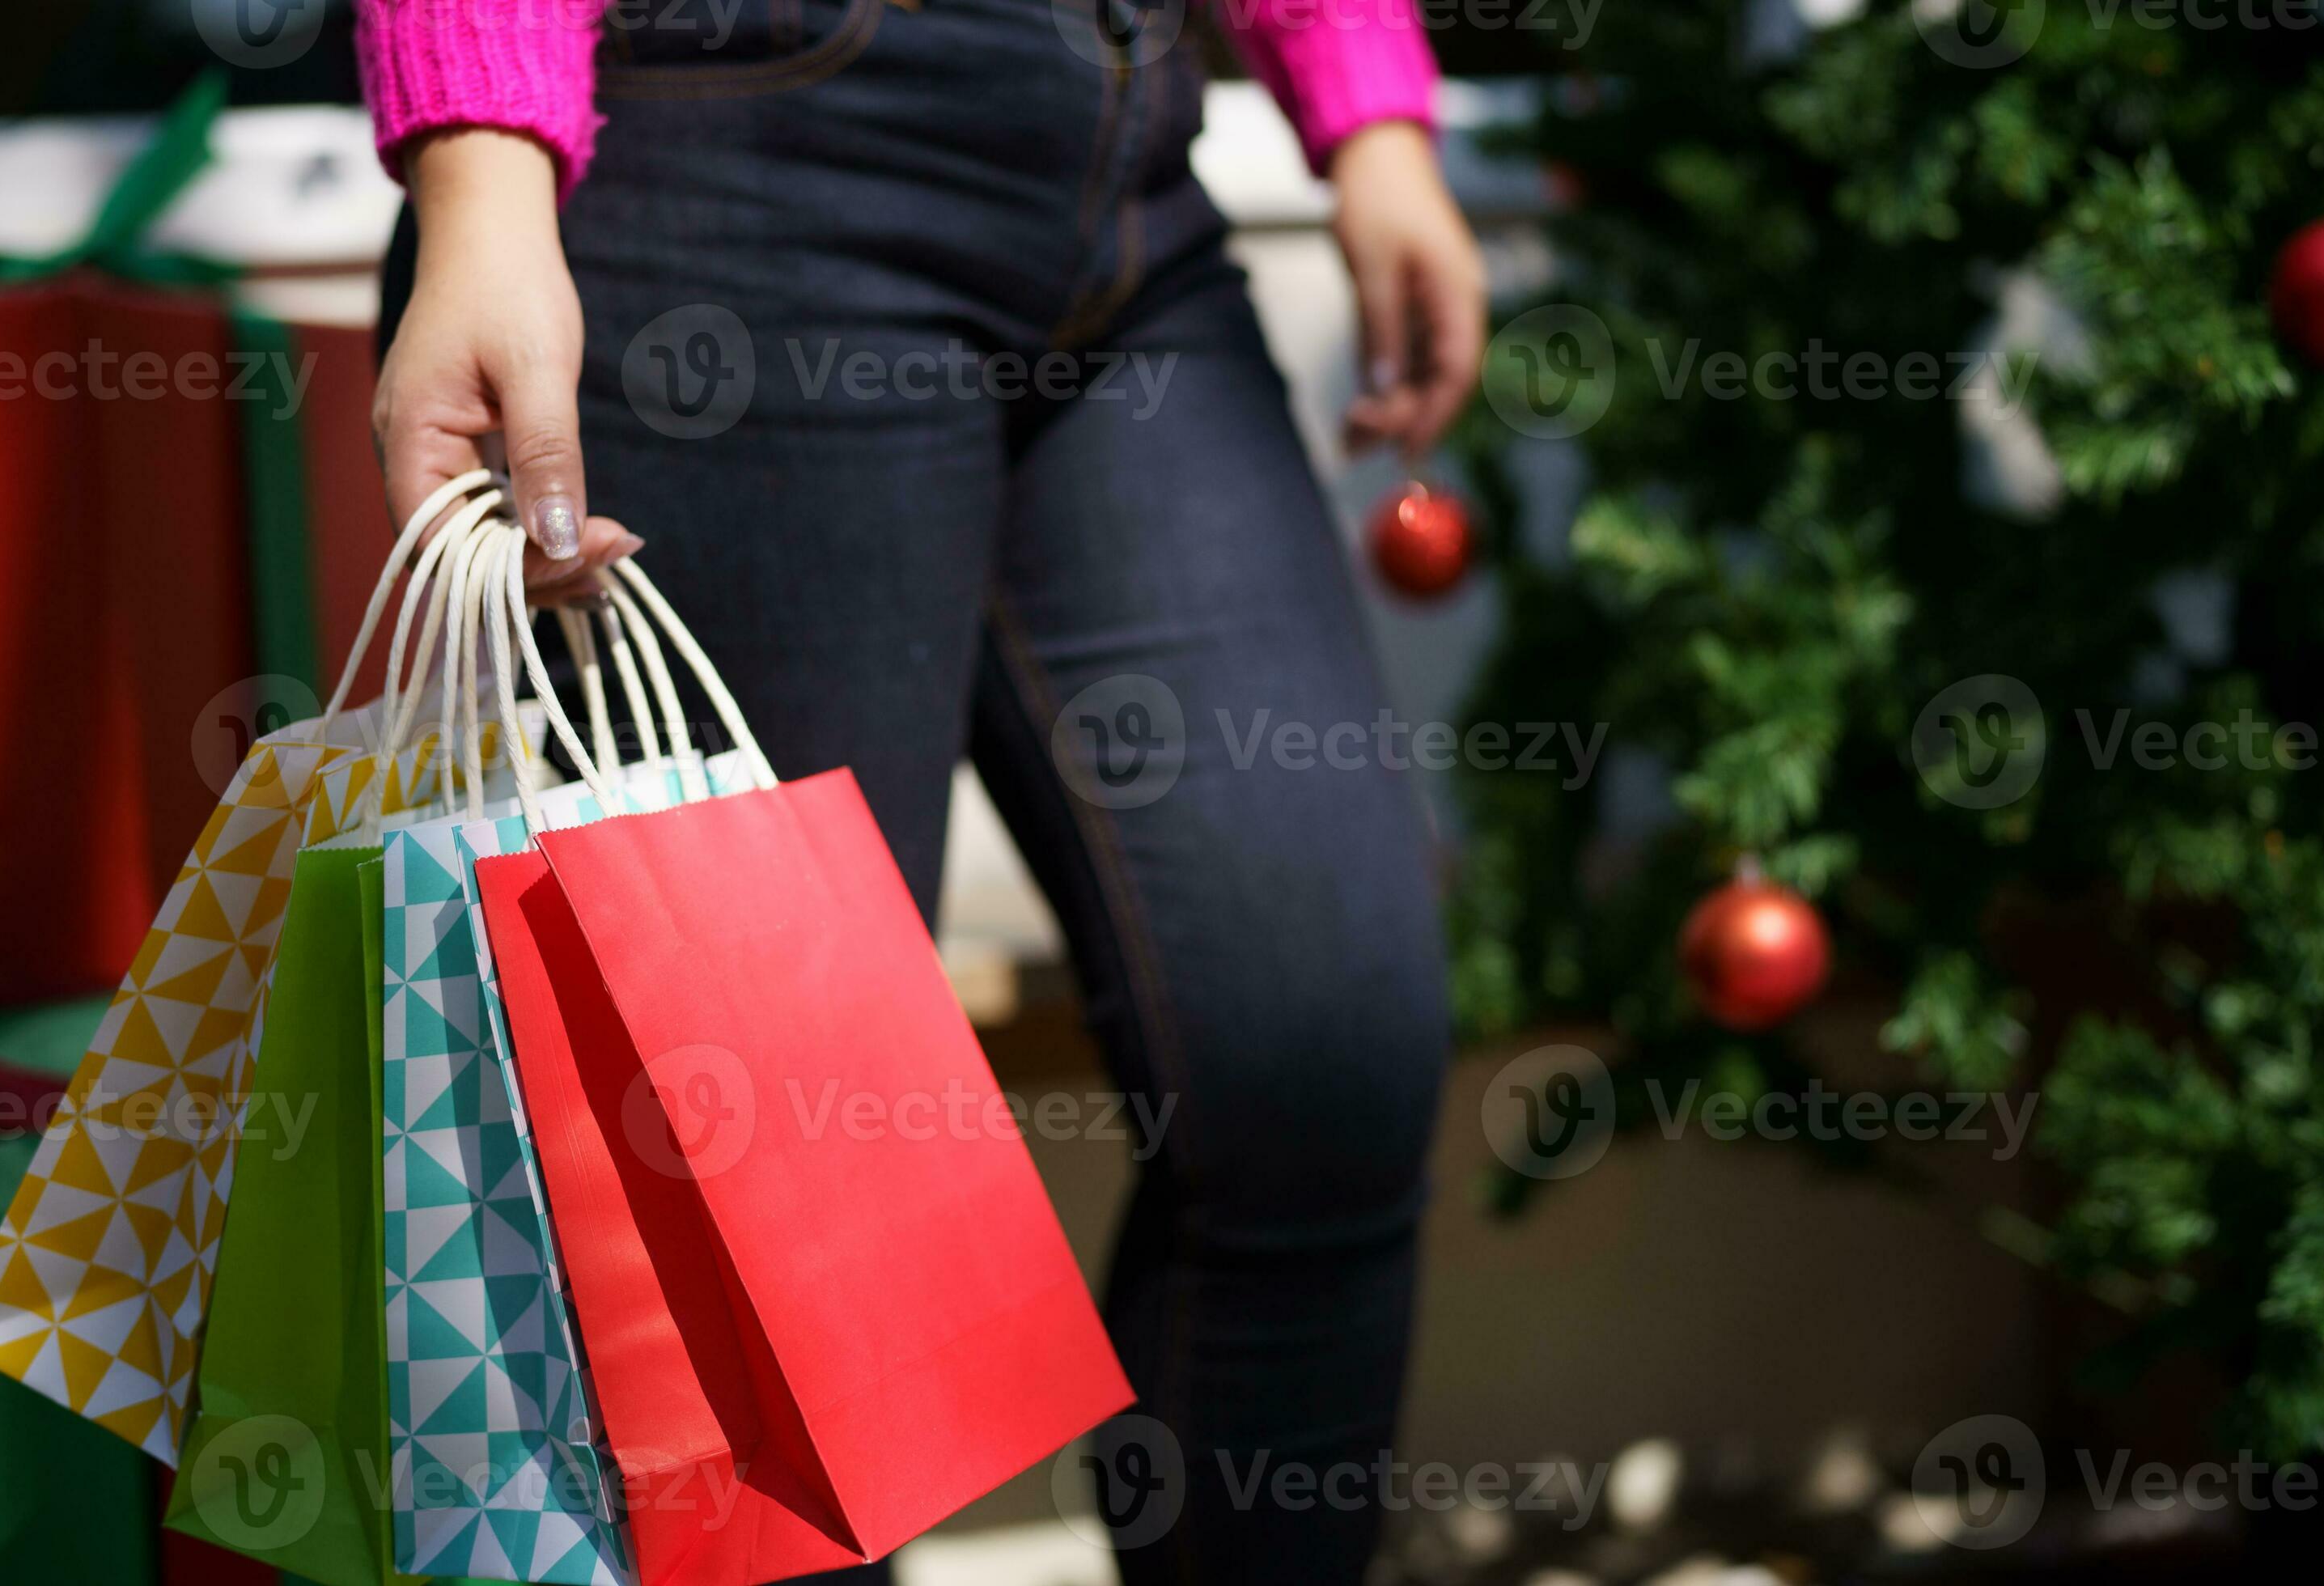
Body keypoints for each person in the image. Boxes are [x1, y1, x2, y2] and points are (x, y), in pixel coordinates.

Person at [359, 0, 1482, 1576]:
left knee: (1321, 1054)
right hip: (720, 159)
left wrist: (1363, 104)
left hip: (1128, 175)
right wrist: (478, 165)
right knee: (766, 1230)